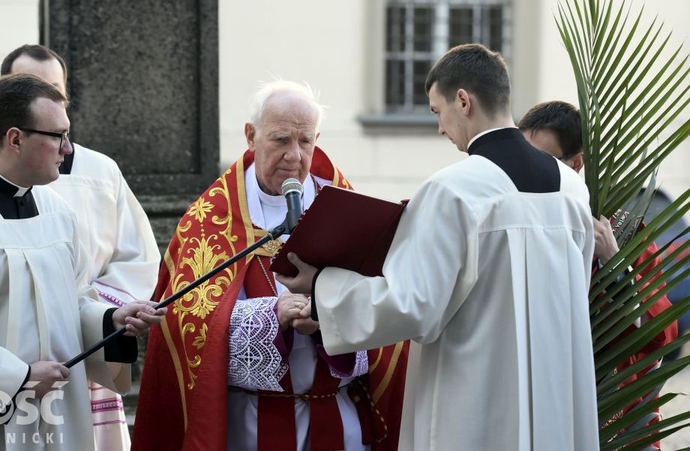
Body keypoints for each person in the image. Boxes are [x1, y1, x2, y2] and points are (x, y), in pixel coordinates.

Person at [277, 44, 600, 450]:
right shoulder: (571, 189)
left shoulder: (453, 189)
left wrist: (322, 284)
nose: (440, 128)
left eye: (437, 111)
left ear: (463, 101)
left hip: (476, 402)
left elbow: (411, 303)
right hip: (555, 400)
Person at [132, 80, 408, 450]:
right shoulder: (209, 220)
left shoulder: (345, 207)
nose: (295, 155)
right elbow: (186, 324)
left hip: (337, 419)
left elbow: (385, 319)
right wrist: (271, 317)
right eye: (280, 140)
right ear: (251, 136)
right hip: (249, 423)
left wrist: (331, 319)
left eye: (306, 141)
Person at [0, 44, 161, 450]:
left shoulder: (56, 210)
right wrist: (17, 377)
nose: (68, 148)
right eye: (57, 136)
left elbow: (67, 302)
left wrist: (108, 319)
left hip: (59, 417)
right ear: (15, 139)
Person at [519, 100, 678, 448]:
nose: (528, 174)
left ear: (576, 163)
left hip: (609, 413)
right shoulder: (513, 224)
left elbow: (660, 331)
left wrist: (613, 262)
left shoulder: (621, 231)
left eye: (543, 162)